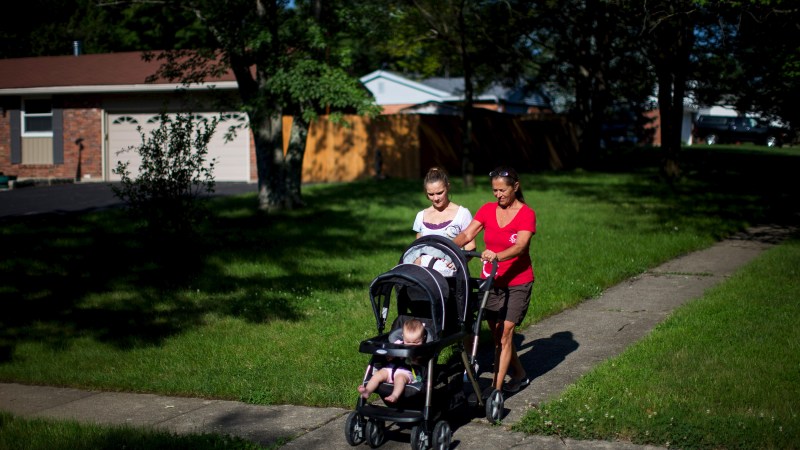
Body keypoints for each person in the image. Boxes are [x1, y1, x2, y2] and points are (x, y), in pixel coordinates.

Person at [453, 166, 535, 394]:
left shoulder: (526, 214)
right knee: (499, 336)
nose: (498, 195)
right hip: (491, 282)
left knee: (505, 333)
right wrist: (448, 248)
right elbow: (467, 234)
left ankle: (494, 391)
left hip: (517, 283)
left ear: (515, 187)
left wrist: (497, 255)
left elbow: (520, 246)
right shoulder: (487, 210)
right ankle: (519, 375)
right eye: (494, 190)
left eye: (502, 190)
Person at [358, 319, 426, 403]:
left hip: (405, 372)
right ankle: (367, 391)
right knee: (377, 375)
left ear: (423, 338)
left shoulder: (421, 349)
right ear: (403, 336)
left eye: (416, 342)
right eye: (408, 341)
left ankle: (394, 395)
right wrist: (390, 356)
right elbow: (389, 353)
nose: (411, 345)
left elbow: (419, 364)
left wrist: (414, 359)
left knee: (400, 379)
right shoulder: (397, 343)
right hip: (389, 369)